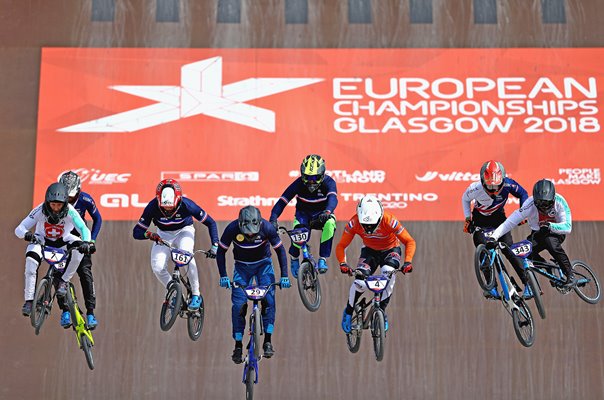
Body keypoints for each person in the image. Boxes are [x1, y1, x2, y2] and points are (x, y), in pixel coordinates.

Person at [217, 206, 290, 363]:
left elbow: (281, 251)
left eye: (253, 230)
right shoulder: (232, 228)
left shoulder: (268, 228)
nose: (250, 233)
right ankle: (237, 345)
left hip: (264, 265)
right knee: (238, 304)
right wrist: (223, 275)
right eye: (246, 231)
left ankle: (268, 340)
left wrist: (284, 276)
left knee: (269, 299)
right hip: (242, 267)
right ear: (240, 224)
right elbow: (221, 252)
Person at [15, 182, 93, 328]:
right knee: (31, 261)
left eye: (59, 205)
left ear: (65, 203)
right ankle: (29, 301)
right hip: (42, 240)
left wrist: (86, 243)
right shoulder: (40, 210)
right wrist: (26, 235)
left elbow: (83, 228)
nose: (55, 208)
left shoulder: (71, 211)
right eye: (52, 205)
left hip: (63, 241)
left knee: (79, 252)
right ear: (47, 202)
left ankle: (64, 280)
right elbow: (19, 227)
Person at [132, 179, 219, 311]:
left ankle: (196, 294)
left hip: (184, 231)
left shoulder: (188, 205)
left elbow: (211, 223)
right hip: (163, 234)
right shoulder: (152, 206)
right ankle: (173, 290)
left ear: (178, 200)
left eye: (171, 207)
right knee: (157, 266)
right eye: (164, 207)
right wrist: (150, 235)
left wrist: (215, 245)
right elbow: (137, 232)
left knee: (186, 255)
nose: (167, 210)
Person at [336, 195, 416, 333]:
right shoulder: (353, 222)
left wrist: (408, 261)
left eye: (372, 225)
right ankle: (348, 311)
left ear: (380, 217)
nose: (368, 228)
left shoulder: (390, 220)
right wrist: (343, 263)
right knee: (359, 282)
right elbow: (341, 245)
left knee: (388, 272)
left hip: (390, 250)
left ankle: (381, 311)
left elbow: (410, 241)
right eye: (365, 225)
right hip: (369, 252)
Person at [488, 179, 575, 287]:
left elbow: (567, 227)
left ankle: (570, 274)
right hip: (538, 233)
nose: (544, 207)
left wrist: (550, 226)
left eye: (547, 203)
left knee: (550, 242)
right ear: (534, 200)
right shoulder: (529, 205)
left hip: (557, 231)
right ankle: (547, 267)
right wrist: (494, 237)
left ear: (553, 199)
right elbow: (509, 223)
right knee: (522, 252)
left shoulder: (560, 202)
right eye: (540, 203)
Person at [462, 160, 530, 299]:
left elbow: (524, 194)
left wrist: (523, 212)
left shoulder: (508, 184)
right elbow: (465, 199)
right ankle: (491, 286)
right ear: (482, 181)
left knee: (509, 249)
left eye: (496, 186)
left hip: (499, 220)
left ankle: (528, 283)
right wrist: (468, 218)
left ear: (502, 180)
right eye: (489, 186)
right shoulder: (475, 188)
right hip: (480, 221)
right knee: (483, 249)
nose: (493, 189)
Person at [269, 154, 338, 277]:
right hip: (303, 215)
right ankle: (294, 257)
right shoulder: (298, 184)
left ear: (322, 175)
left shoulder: (329, 182)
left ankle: (322, 258)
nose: (311, 181)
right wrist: (273, 218)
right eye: (307, 177)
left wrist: (328, 211)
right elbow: (282, 202)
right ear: (302, 174)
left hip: (322, 215)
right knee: (297, 233)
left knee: (330, 223)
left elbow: (333, 198)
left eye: (315, 177)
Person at [59, 171, 103, 329]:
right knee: (58, 272)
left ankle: (90, 313)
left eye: (72, 197)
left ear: (78, 191)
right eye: (66, 197)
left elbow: (98, 218)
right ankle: (64, 311)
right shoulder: (53, 198)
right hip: (60, 238)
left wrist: (91, 240)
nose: (68, 200)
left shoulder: (85, 199)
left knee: (85, 272)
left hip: (79, 238)